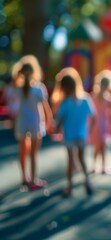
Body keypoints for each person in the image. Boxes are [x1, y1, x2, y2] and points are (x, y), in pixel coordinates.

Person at [51, 67, 95, 197]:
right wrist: (89, 130)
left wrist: (55, 129)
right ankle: (87, 181)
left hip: (69, 136)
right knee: (82, 159)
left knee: (70, 161)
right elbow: (93, 116)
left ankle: (69, 187)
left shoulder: (65, 103)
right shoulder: (85, 99)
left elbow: (58, 122)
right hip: (82, 134)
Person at [13, 55, 53, 191]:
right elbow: (46, 107)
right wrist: (49, 121)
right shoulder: (38, 88)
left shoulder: (17, 88)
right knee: (33, 153)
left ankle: (25, 178)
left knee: (22, 151)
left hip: (22, 122)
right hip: (35, 122)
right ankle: (33, 179)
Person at [89, 70, 111, 175]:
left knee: (97, 147)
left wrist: (89, 127)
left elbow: (91, 114)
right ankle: (102, 167)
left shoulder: (93, 96)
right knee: (103, 147)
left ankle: (94, 166)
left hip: (96, 125)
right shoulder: (110, 99)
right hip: (104, 124)